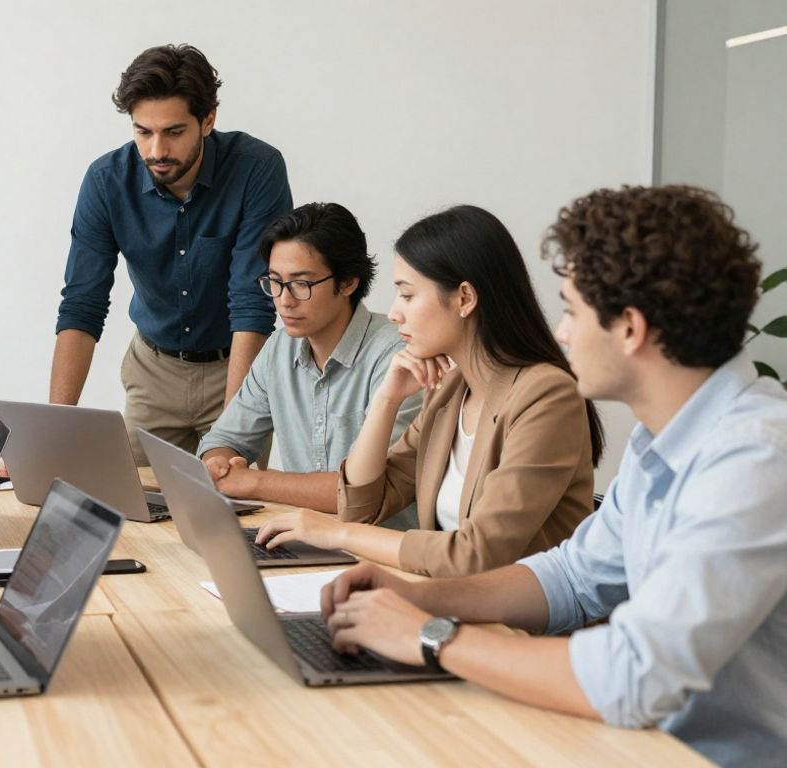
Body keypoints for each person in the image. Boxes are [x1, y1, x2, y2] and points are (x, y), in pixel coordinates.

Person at [319, 185, 785, 767]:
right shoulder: (661, 440)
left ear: (631, 329)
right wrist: (416, 596)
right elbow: (572, 576)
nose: (560, 334)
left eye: (571, 310)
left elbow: (634, 675)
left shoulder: (755, 460)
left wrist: (432, 636)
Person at [258, 205, 603, 576]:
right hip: (448, 604)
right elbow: (361, 507)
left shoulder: (547, 396)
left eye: (407, 295)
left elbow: (476, 553)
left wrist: (338, 535)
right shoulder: (452, 391)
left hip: (515, 627)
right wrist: (386, 400)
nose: (393, 314)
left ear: (465, 298)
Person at [49, 43, 293, 465]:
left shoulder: (257, 169)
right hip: (153, 370)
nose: (157, 150)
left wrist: (232, 431)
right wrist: (54, 429)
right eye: (143, 131)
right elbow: (82, 304)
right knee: (134, 510)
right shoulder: (106, 181)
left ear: (208, 120)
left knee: (234, 512)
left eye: (174, 132)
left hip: (235, 368)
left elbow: (252, 304)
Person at [196, 202, 420, 511]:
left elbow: (363, 492)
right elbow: (224, 439)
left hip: (379, 548)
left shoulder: (399, 358)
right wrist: (219, 465)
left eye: (301, 284)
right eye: (275, 282)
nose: (284, 301)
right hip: (301, 539)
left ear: (348, 282)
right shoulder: (278, 348)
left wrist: (255, 482)